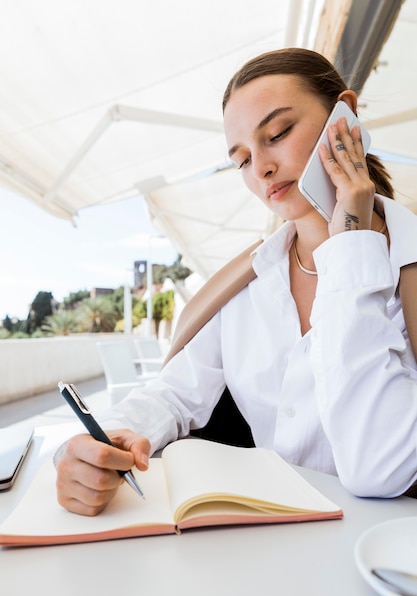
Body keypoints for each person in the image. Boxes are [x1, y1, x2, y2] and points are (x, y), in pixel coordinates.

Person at [55, 48, 417, 516]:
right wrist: (108, 439)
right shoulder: (245, 282)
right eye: (242, 159)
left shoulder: (405, 268)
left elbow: (377, 468)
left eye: (278, 133)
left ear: (343, 119)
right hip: (262, 548)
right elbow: (175, 393)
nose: (262, 168)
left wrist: (351, 241)